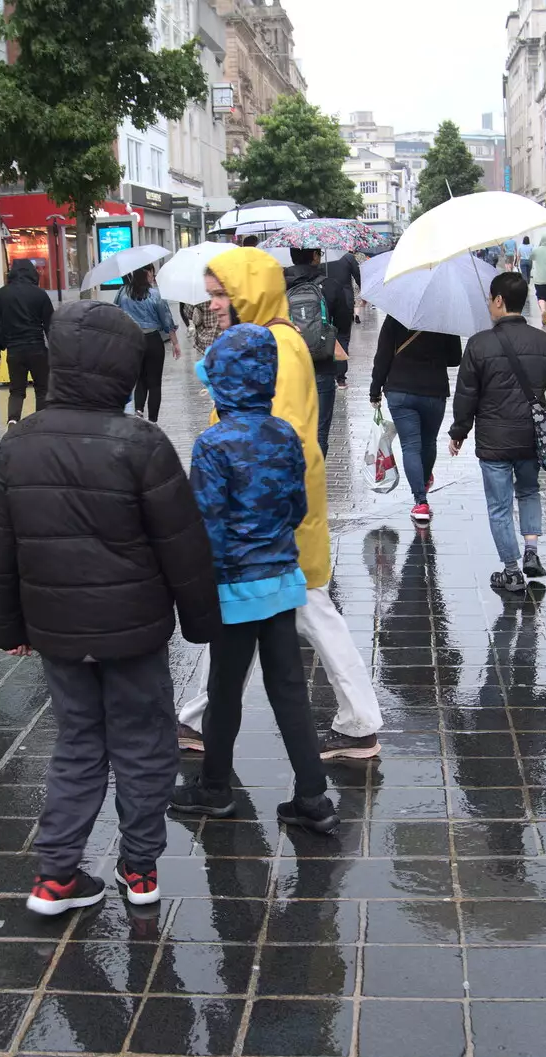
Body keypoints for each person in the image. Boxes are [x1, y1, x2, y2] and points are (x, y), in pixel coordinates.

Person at [0, 300, 220, 915]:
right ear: (121, 366)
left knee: (77, 742)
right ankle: (139, 870)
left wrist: (8, 626)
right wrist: (200, 620)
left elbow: (1, 545)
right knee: (144, 744)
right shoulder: (141, 443)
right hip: (133, 630)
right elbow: (182, 544)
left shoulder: (18, 444)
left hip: (57, 629)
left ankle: (56, 875)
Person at [175, 247, 383, 761]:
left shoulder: (277, 346)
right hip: (276, 519)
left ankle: (358, 724)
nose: (215, 305)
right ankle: (199, 720)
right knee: (294, 614)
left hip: (270, 522)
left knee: (301, 612)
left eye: (222, 295)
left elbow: (271, 443)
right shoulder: (270, 341)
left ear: (250, 292)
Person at [169, 324, 340, 835]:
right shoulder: (284, 433)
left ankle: (215, 788)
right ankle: (313, 796)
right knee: (289, 689)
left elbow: (207, 525)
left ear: (223, 383)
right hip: (281, 579)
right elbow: (296, 506)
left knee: (225, 688)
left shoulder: (213, 444)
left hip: (235, 589)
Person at [449, 272, 546, 595]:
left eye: (489, 300)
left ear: (498, 301)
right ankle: (532, 551)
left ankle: (511, 572)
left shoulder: (479, 344)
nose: (488, 305)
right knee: (528, 491)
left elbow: (467, 394)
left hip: (494, 439)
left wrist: (459, 431)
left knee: (499, 506)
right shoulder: (545, 342)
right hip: (531, 435)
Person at [370, 314, 461, 524]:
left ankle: (420, 502)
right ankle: (423, 481)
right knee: (428, 443)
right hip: (433, 390)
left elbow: (383, 355)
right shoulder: (444, 317)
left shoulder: (397, 315)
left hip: (400, 390)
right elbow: (456, 358)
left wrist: (375, 390)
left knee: (410, 446)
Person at [284, 248, 342, 454]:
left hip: (289, 370)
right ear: (315, 257)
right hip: (323, 366)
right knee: (319, 432)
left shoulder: (280, 285)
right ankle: (315, 480)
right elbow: (343, 328)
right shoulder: (330, 285)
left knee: (290, 428)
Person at [0, 259, 55, 423]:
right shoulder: (39, 294)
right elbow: (50, 324)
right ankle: (40, 424)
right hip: (37, 349)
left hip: (14, 350)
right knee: (42, 389)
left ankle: (13, 421)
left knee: (17, 391)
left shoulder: (2, 294)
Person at [115, 265, 182, 421]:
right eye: (152, 273)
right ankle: (153, 420)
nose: (153, 276)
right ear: (146, 273)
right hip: (152, 340)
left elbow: (116, 313)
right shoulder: (154, 295)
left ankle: (138, 410)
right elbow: (166, 320)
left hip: (132, 341)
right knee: (155, 382)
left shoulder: (123, 292)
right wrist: (175, 343)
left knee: (140, 378)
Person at [323, 250, 362, 389]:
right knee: (343, 337)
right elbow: (359, 277)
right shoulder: (348, 257)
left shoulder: (320, 257)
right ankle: (341, 378)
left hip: (324, 299)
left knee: (324, 334)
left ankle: (328, 372)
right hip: (345, 301)